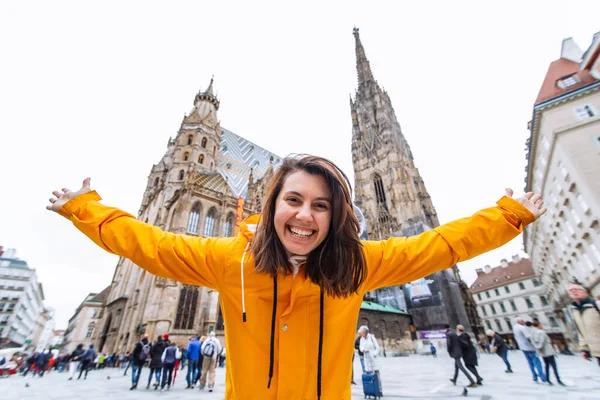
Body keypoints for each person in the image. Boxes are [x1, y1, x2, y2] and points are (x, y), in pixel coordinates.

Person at [46, 155, 546, 399]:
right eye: (294, 200)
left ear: (334, 216)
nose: (305, 215)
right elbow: (148, 245)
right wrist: (83, 209)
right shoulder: (230, 259)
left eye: (320, 205)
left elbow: (439, 245)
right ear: (273, 205)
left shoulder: (356, 265)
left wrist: (508, 217)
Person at [568, 282, 600, 366]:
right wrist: (584, 348)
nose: (574, 291)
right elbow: (581, 333)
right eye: (571, 290)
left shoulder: (596, 305)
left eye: (576, 289)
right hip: (597, 353)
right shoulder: (575, 311)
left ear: (585, 291)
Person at [530, 321, 565, 386]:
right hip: (548, 351)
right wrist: (540, 347)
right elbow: (542, 341)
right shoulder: (541, 332)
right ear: (538, 325)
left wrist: (538, 348)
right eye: (541, 324)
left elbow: (533, 341)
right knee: (554, 366)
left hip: (543, 352)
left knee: (546, 366)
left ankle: (548, 379)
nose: (542, 326)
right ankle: (558, 379)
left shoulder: (533, 333)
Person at [513, 318, 547, 383]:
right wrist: (535, 344)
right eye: (523, 321)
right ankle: (542, 377)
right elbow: (528, 337)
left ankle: (534, 376)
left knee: (530, 362)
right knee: (537, 362)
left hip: (522, 347)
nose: (524, 322)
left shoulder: (515, 327)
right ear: (520, 321)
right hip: (529, 347)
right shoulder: (522, 328)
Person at [358, 325, 383, 396]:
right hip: (367, 359)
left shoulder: (371, 337)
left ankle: (380, 390)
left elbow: (377, 348)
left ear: (364, 332)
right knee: (369, 375)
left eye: (361, 332)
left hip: (374, 358)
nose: (360, 334)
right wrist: (363, 350)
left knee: (377, 375)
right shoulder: (362, 339)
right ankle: (372, 390)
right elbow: (360, 347)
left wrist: (374, 354)